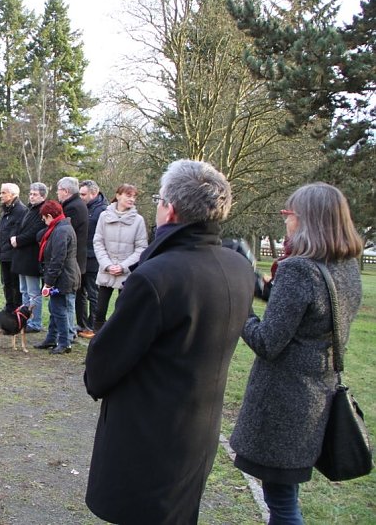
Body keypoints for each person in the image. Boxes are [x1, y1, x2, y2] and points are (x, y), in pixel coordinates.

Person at [83, 160, 255, 524]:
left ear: (171, 209)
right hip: (198, 428)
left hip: (149, 431)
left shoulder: (157, 276)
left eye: (159, 199)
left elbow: (104, 361)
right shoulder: (238, 267)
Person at [230, 183, 364, 525]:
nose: (284, 222)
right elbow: (305, 313)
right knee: (286, 495)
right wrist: (255, 280)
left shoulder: (299, 268)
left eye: (288, 214)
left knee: (283, 504)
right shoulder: (345, 265)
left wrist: (240, 308)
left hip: (285, 401)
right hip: (316, 394)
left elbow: (267, 341)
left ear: (306, 219)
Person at [92, 183, 148, 332]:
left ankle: (120, 340)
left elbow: (141, 248)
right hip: (106, 270)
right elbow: (98, 242)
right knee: (99, 310)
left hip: (126, 272)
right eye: (128, 195)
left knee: (123, 310)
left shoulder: (138, 220)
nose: (132, 199)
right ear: (118, 195)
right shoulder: (104, 216)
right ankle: (98, 339)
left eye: (134, 196)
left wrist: (123, 266)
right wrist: (107, 265)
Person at [32, 200, 81, 354]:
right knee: (54, 308)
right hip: (63, 275)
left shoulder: (61, 231)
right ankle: (52, 338)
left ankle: (65, 342)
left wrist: (48, 283)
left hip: (64, 277)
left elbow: (57, 259)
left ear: (49, 216)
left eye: (44, 218)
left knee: (60, 310)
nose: (43, 221)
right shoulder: (60, 228)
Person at [10, 182, 48, 333]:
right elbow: (20, 226)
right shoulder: (30, 210)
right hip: (21, 256)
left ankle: (35, 322)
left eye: (35, 194)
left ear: (43, 196)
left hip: (31, 256)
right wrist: (15, 237)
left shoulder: (42, 211)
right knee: (24, 290)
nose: (31, 196)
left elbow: (35, 232)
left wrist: (18, 240)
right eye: (30, 194)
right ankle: (25, 318)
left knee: (33, 292)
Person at [57, 177, 88, 343]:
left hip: (72, 260)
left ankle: (68, 333)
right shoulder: (75, 205)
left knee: (69, 299)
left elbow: (66, 234)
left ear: (66, 191)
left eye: (59, 190)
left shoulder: (73, 208)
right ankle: (65, 331)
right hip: (74, 259)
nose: (57, 194)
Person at [78, 180, 106, 338]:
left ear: (94, 194)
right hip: (82, 257)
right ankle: (82, 324)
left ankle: (95, 326)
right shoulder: (83, 208)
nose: (81, 197)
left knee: (93, 294)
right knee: (79, 292)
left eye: (83, 194)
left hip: (94, 258)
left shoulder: (102, 210)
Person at [0, 183, 26, 312]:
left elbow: (17, 231)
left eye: (4, 193)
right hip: (4, 253)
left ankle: (16, 309)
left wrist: (9, 245)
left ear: (13, 194)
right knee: (6, 282)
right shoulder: (6, 210)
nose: (0, 195)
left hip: (14, 254)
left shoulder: (21, 210)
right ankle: (9, 306)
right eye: (1, 192)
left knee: (15, 284)